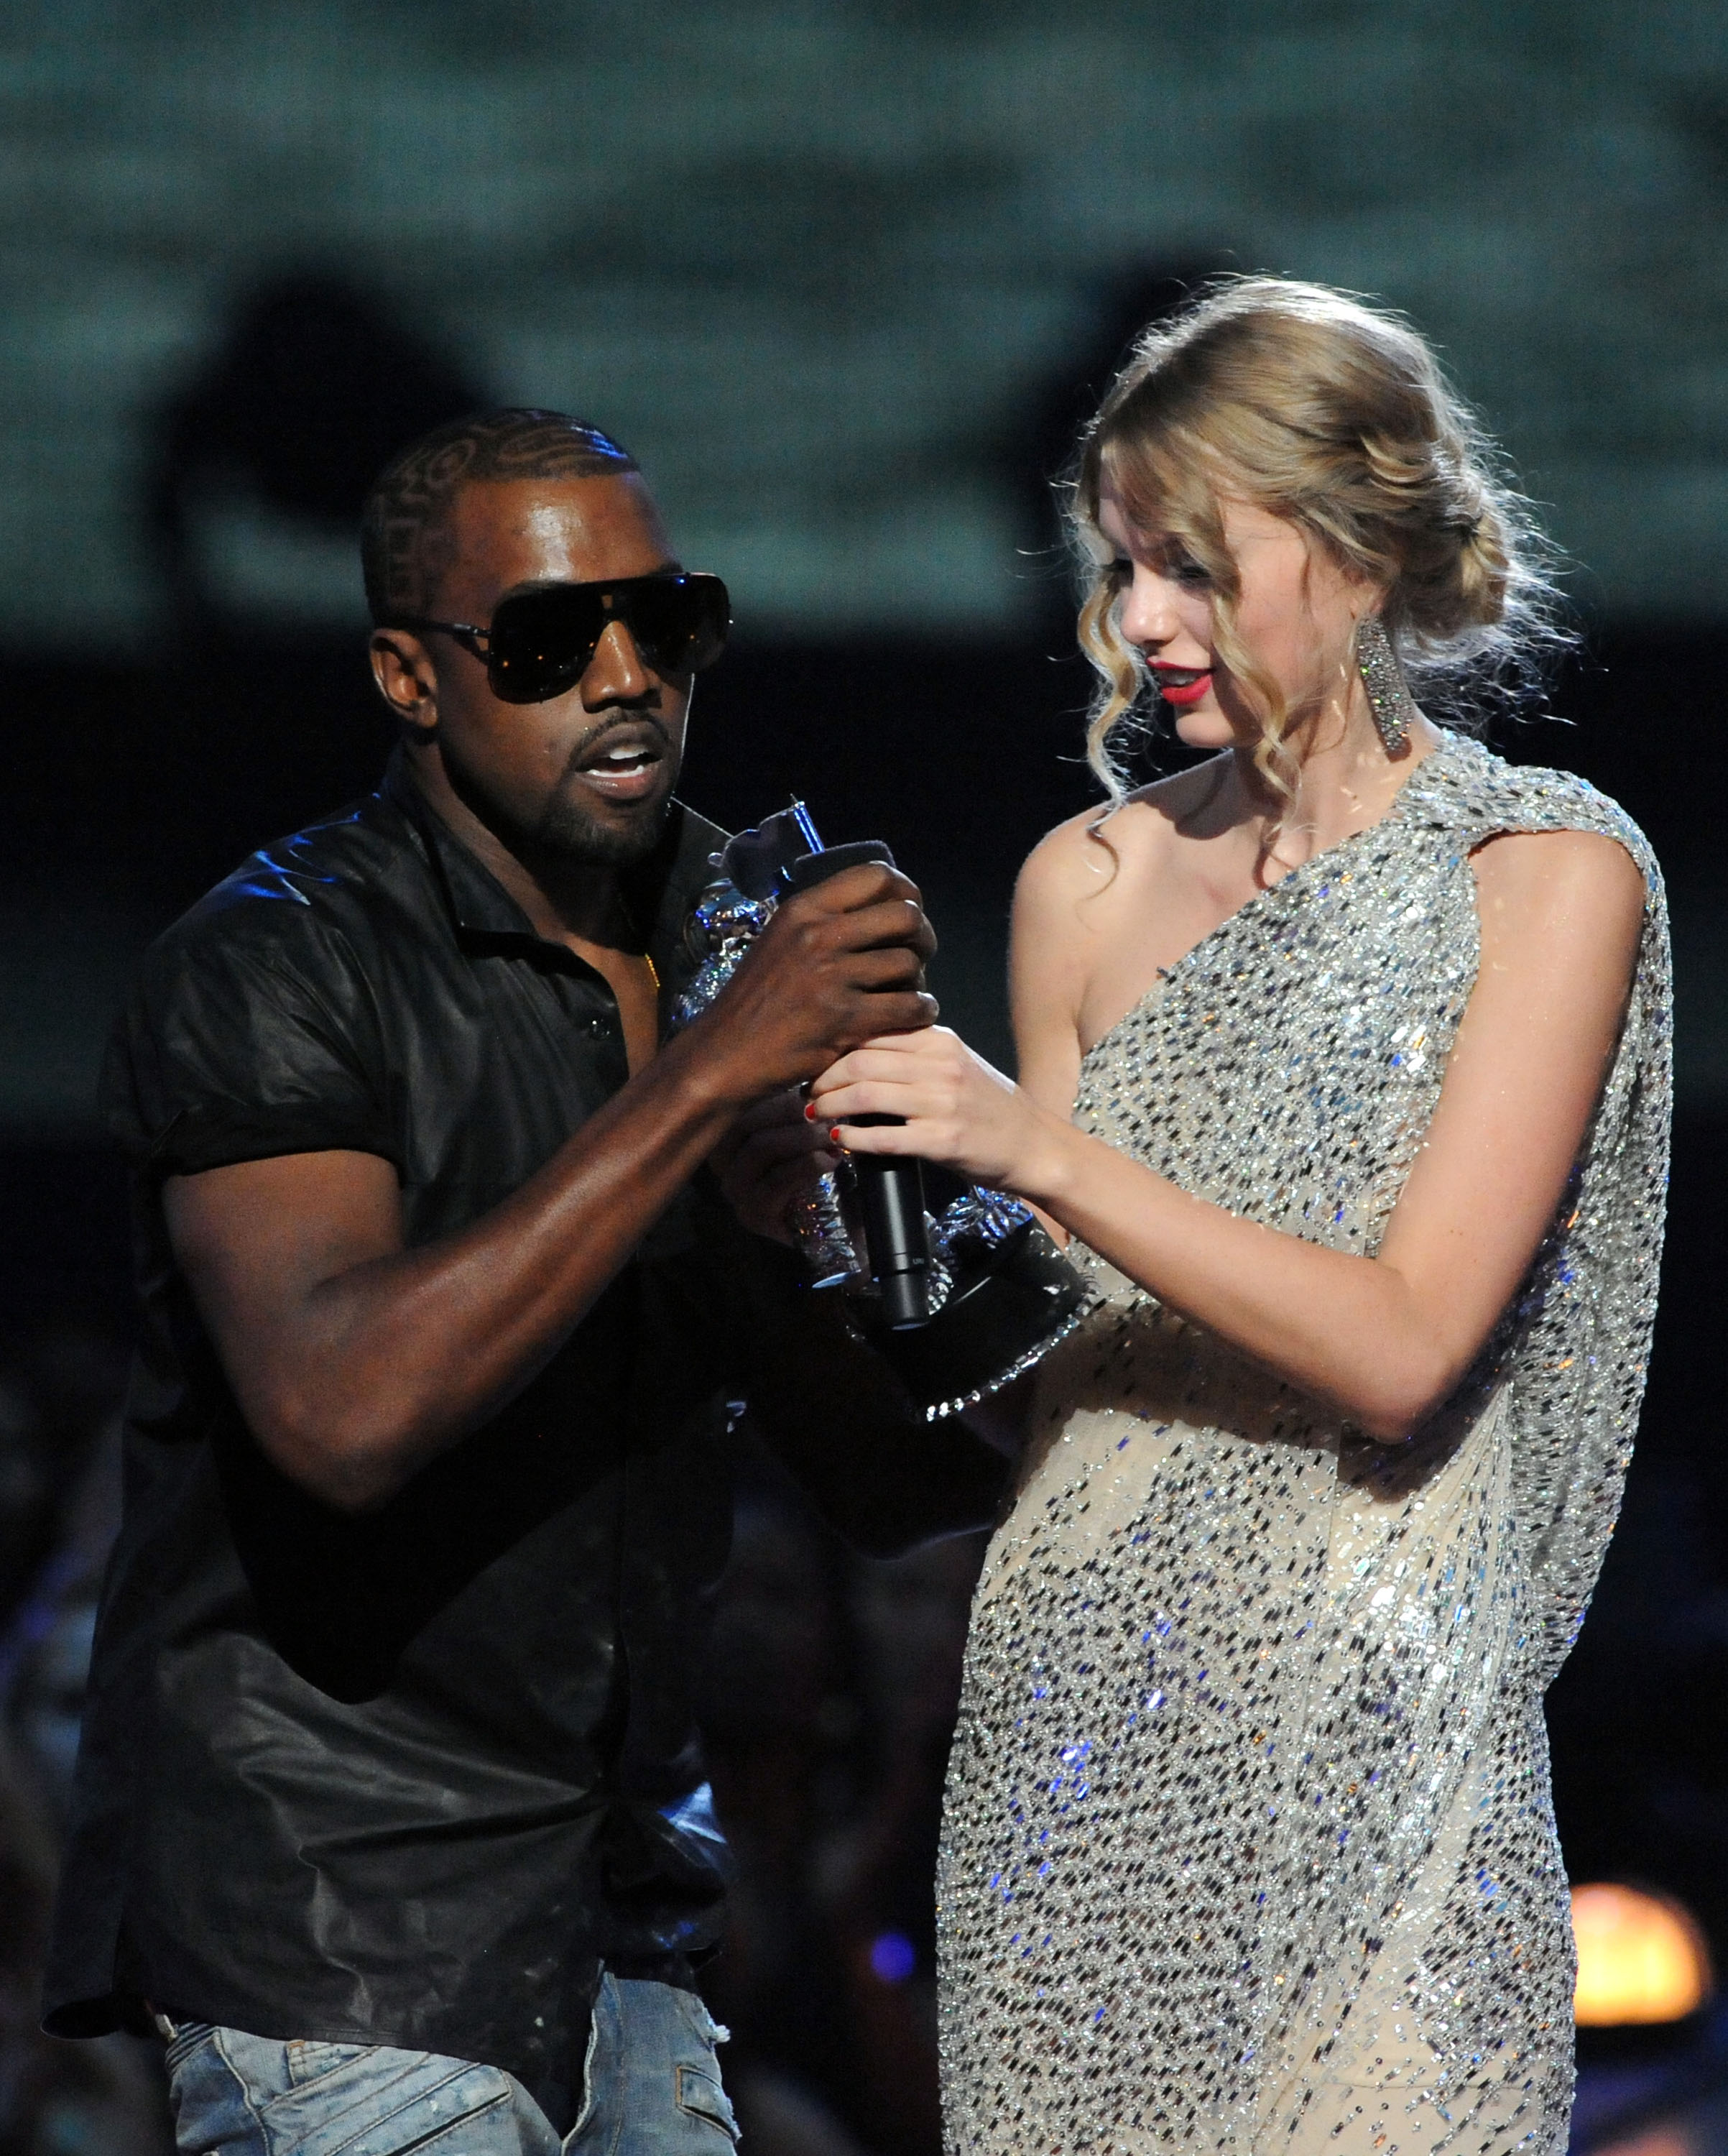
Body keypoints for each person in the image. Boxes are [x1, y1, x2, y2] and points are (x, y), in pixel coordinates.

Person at [43, 408, 1005, 2155]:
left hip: (631, 1927)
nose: (628, 676)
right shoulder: (277, 965)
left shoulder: (737, 924)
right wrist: (708, 1079)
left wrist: (832, 1223)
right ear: (412, 680)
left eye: (670, 619)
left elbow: (894, 1484)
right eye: (556, 640)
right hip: (342, 1937)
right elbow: (339, 1414)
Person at [809, 280, 1671, 2154]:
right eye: (1122, 567)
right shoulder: (1086, 881)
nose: (1136, 622)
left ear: (1360, 552)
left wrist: (1033, 1151)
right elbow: (1037, 1365)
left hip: (1378, 1742)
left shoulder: (1541, 873)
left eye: (1192, 567)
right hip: (1079, 1734)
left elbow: (1398, 1345)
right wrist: (848, 1215)